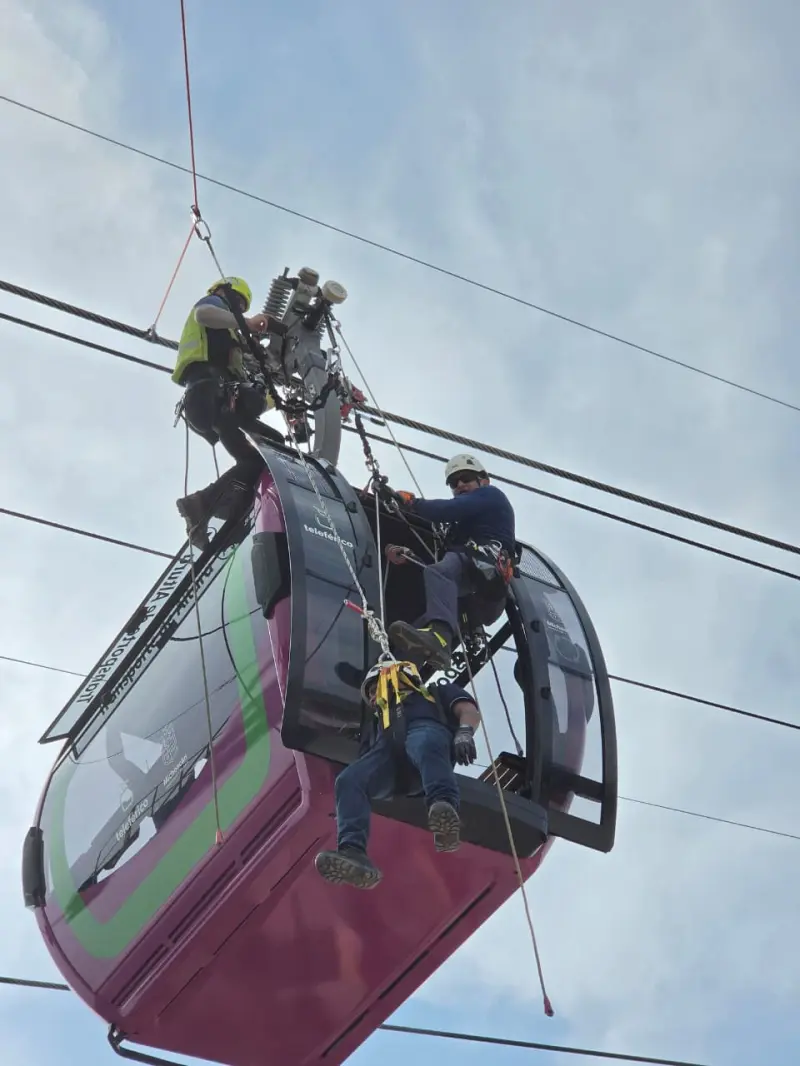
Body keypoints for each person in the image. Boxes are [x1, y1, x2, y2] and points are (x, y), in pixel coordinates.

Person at [314, 660, 480, 889]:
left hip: (426, 743)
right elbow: (366, 761)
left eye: (375, 689)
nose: (373, 699)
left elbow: (467, 710)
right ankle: (353, 851)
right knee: (349, 780)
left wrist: (464, 733)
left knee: (424, 742)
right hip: (390, 762)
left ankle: (444, 810)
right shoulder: (376, 725)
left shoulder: (434, 694)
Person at [172, 276, 285, 550]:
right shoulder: (214, 304)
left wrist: (280, 403)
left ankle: (203, 504)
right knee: (271, 445)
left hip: (218, 404)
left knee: (260, 460)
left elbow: (248, 384)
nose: (239, 310)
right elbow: (204, 314)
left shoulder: (231, 340)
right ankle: (221, 505)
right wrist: (245, 323)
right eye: (239, 303)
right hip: (208, 393)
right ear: (226, 292)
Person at [387, 453, 516, 670]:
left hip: (484, 567)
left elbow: (446, 510)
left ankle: (439, 639)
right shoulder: (462, 527)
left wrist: (412, 502)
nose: (460, 485)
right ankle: (402, 670)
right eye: (454, 483)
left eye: (466, 478)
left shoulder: (491, 495)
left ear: (483, 480)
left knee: (437, 574)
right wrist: (411, 556)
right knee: (424, 619)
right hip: (481, 589)